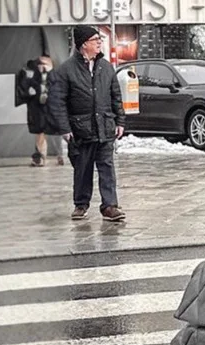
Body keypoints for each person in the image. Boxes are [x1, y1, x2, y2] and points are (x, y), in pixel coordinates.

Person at [48, 25, 126, 222]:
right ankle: (81, 204)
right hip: (80, 129)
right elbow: (58, 102)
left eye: (99, 39)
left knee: (107, 167)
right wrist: (65, 129)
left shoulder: (106, 67)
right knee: (82, 169)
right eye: (95, 39)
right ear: (84, 44)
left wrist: (120, 121)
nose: (99, 42)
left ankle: (110, 206)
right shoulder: (66, 70)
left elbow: (116, 96)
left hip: (105, 126)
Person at [14, 55, 64, 167]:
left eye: (45, 64)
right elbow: (26, 89)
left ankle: (57, 155)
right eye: (40, 64)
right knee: (40, 132)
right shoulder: (33, 77)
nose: (42, 67)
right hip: (39, 108)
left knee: (56, 132)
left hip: (52, 108)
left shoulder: (55, 76)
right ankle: (41, 156)